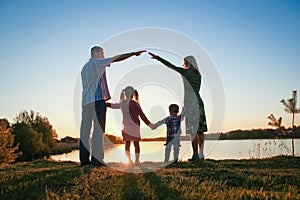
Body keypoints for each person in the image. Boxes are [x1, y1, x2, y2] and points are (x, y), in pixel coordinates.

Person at [80, 46, 145, 166]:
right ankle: (97, 160)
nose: (103, 56)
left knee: (85, 132)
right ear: (96, 53)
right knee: (98, 131)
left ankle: (84, 161)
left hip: (85, 102)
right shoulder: (97, 62)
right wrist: (133, 53)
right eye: (102, 53)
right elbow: (117, 58)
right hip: (98, 101)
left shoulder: (84, 68)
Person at [149, 52, 208, 162]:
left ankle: (195, 155)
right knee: (200, 131)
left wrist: (158, 58)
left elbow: (171, 65)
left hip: (191, 104)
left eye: (184, 63)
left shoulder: (186, 72)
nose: (183, 65)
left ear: (188, 63)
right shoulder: (199, 75)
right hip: (199, 103)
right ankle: (201, 154)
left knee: (193, 131)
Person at [106, 86, 153, 165]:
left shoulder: (122, 103)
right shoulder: (136, 104)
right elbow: (142, 116)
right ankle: (137, 160)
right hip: (135, 127)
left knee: (127, 144)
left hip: (126, 128)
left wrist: (105, 104)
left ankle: (129, 160)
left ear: (125, 94)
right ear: (133, 94)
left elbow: (113, 106)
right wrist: (149, 124)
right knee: (136, 144)